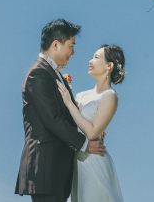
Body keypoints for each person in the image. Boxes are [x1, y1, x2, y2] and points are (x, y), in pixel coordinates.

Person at [16, 19, 107, 202]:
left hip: (57, 169)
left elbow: (68, 116)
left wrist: (91, 129)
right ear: (56, 44)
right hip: (45, 168)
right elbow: (53, 119)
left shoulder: (54, 74)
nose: (73, 53)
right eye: (71, 46)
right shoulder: (38, 73)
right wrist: (85, 144)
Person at [56, 44, 126, 202]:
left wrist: (69, 103)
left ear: (109, 66)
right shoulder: (80, 95)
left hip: (94, 162)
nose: (90, 61)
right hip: (76, 162)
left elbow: (93, 132)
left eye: (96, 57)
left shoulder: (110, 96)